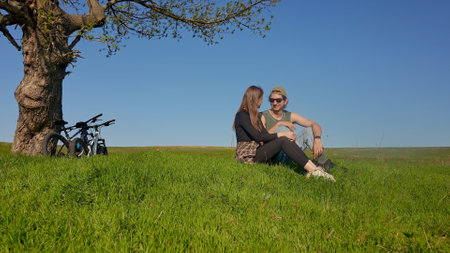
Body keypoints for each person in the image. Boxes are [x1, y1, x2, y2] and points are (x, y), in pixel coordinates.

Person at [233, 85, 335, 181]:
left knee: (284, 139)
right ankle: (314, 171)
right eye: (262, 99)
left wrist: (291, 140)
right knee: (282, 139)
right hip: (248, 157)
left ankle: (317, 170)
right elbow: (259, 137)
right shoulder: (242, 115)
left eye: (278, 100)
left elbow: (265, 135)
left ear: (285, 101)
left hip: (257, 153)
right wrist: (282, 133)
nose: (262, 101)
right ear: (255, 98)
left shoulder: (255, 116)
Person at [260, 86, 341, 172]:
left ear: (285, 101)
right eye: (272, 100)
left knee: (309, 130)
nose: (275, 103)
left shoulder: (290, 116)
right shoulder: (263, 116)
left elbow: (314, 124)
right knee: (282, 128)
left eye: (278, 100)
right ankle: (308, 166)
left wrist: (317, 139)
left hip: (292, 152)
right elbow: (261, 138)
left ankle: (323, 163)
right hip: (275, 155)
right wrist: (278, 124)